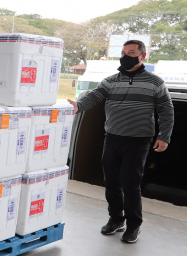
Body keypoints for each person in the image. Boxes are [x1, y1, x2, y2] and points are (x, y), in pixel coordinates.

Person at [67, 40, 174, 244]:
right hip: (113, 138)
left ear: (142, 56)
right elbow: (95, 96)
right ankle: (116, 219)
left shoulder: (155, 82)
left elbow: (166, 110)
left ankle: (134, 225)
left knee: (131, 184)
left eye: (131, 52)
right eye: (123, 52)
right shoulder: (110, 81)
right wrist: (78, 106)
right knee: (111, 182)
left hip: (139, 141)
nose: (126, 56)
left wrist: (164, 136)